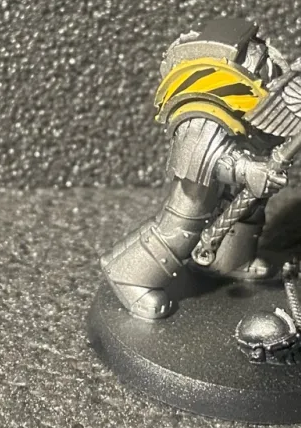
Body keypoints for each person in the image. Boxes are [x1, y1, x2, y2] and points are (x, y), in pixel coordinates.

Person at [100, 18, 290, 319]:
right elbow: (209, 160)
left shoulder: (244, 101)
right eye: (259, 67)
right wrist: (247, 171)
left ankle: (230, 261)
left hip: (239, 168)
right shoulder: (201, 113)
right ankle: (130, 276)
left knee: (249, 209)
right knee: (182, 229)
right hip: (199, 183)